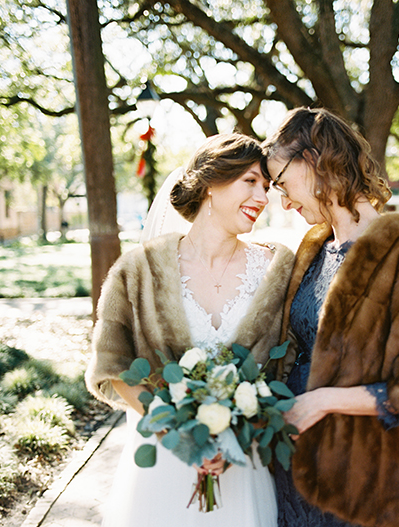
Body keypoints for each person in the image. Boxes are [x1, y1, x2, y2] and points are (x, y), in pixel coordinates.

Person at [261, 108, 399, 527]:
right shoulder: (313, 251)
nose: (283, 201)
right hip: (288, 469)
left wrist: (323, 401)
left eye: (283, 183)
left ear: (315, 160)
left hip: (352, 479)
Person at [85, 133, 294, 527]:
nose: (263, 198)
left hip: (240, 467)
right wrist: (180, 436)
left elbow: (288, 367)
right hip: (161, 466)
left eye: (267, 186)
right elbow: (112, 366)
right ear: (211, 183)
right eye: (250, 181)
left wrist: (246, 427)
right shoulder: (137, 270)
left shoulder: (278, 271)